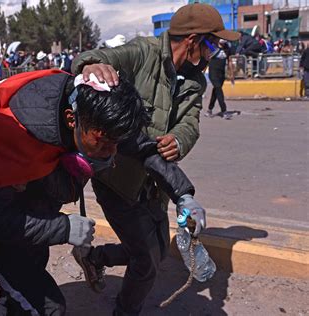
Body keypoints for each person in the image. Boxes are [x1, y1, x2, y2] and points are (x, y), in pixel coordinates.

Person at [0, 68, 205, 315]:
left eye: (116, 143)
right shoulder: (16, 139)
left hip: (26, 215)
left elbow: (145, 149)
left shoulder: (96, 114)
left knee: (17, 296)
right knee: (47, 306)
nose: (111, 152)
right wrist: (63, 228)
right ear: (70, 119)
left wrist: (183, 195)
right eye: (103, 142)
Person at [71, 3, 240, 315]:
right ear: (193, 40)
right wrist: (92, 67)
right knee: (146, 264)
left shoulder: (194, 82)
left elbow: (190, 124)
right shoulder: (142, 53)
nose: (214, 52)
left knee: (158, 251)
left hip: (156, 184)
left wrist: (179, 139)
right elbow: (90, 60)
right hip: (118, 181)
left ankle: (96, 258)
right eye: (212, 44)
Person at [205, 39, 234, 119]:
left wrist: (231, 74)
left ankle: (209, 110)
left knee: (216, 91)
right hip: (213, 73)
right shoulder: (213, 47)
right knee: (218, 89)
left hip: (221, 74)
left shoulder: (227, 49)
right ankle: (224, 111)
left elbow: (230, 61)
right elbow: (205, 41)